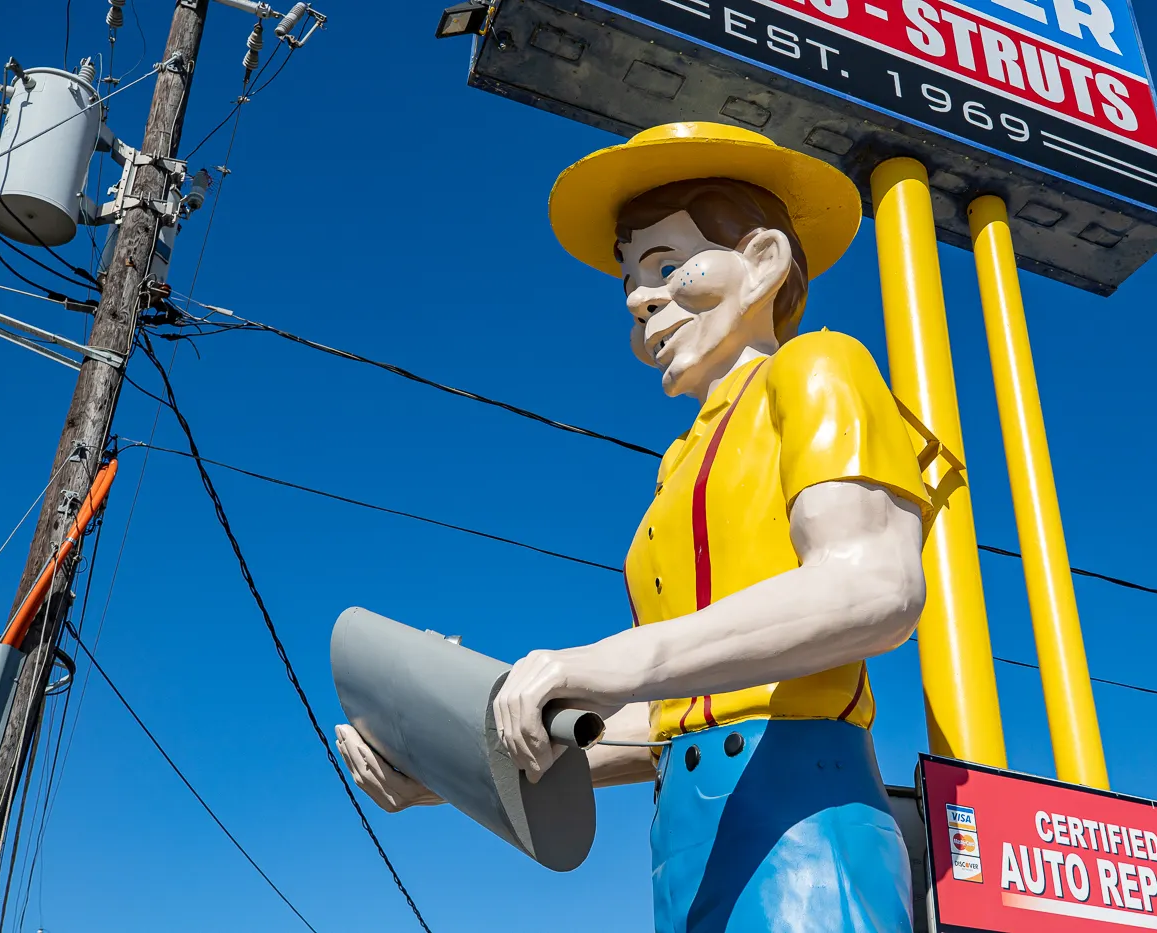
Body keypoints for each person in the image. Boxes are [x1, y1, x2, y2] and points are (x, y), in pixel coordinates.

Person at [336, 122, 934, 933]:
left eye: (664, 265)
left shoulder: (819, 366)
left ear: (762, 261)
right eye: (629, 277)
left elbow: (874, 585)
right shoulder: (675, 467)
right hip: (680, 840)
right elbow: (666, 718)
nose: (638, 296)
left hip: (804, 820)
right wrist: (465, 757)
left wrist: (602, 663)